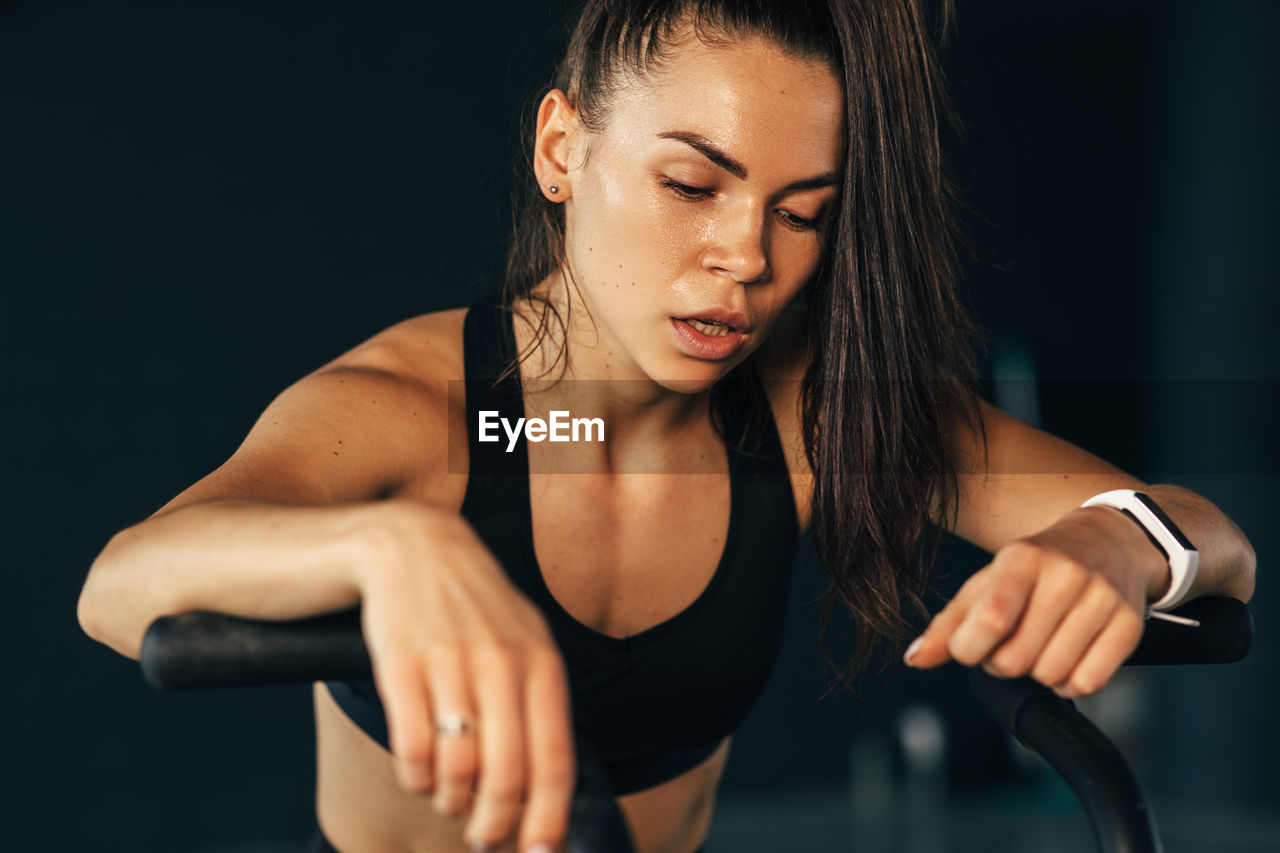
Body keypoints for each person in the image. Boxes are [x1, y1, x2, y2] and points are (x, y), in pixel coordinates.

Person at [76, 1, 1257, 852]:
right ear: (561, 148)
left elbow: (1207, 537)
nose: (744, 258)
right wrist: (385, 547)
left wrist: (1113, 541)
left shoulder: (801, 414)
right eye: (692, 186)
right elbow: (122, 584)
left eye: (799, 215)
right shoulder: (431, 417)